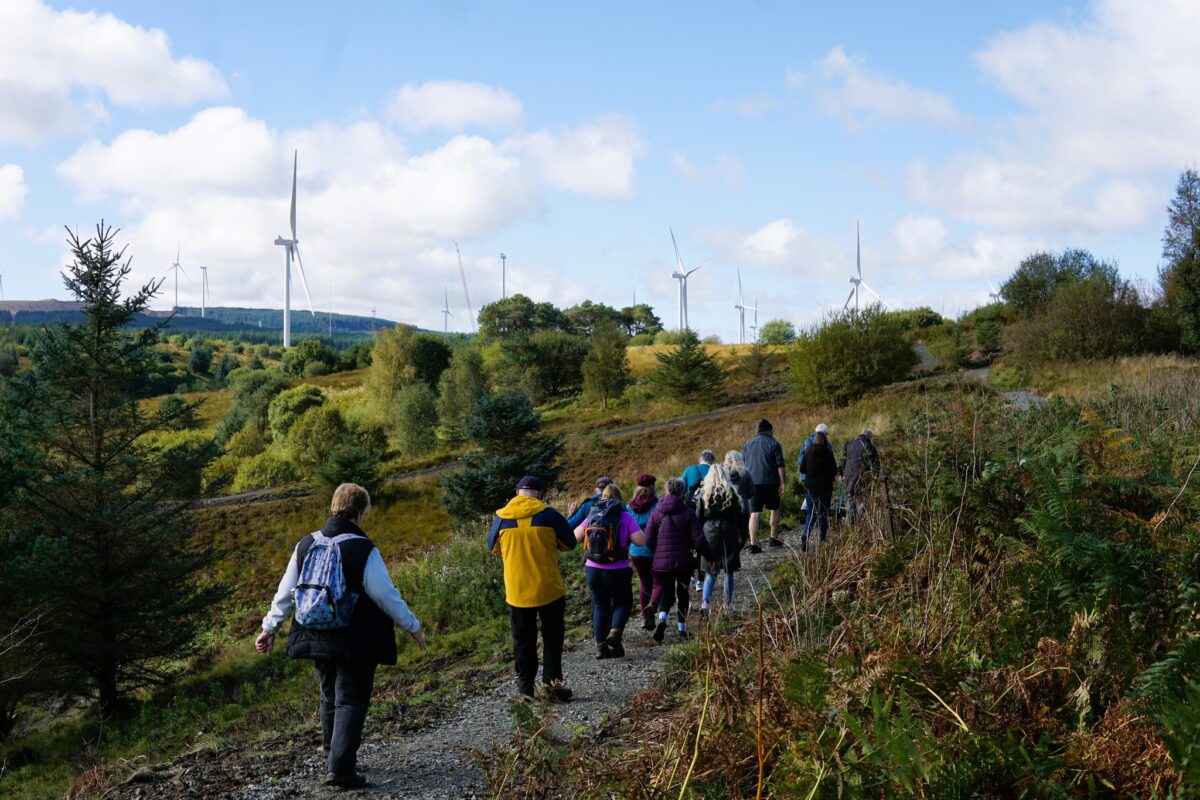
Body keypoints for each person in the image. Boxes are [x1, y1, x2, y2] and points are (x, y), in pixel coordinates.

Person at [256, 483, 426, 790]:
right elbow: (385, 594)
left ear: (334, 508)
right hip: (356, 638)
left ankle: (333, 758)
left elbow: (286, 592)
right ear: (360, 514)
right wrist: (412, 625)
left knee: (329, 696)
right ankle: (341, 769)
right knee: (351, 699)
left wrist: (270, 628)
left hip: (315, 632)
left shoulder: (306, 544)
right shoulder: (362, 548)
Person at [488, 475, 577, 702]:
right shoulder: (549, 515)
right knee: (552, 638)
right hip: (549, 590)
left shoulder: (501, 518)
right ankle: (552, 687)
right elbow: (570, 544)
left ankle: (526, 689)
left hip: (517, 592)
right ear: (539, 493)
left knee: (523, 641)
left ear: (517, 493)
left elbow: (493, 548)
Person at [573, 484, 647, 658]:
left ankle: (601, 647)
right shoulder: (624, 516)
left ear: (602, 497)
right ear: (619, 498)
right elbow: (641, 541)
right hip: (617, 569)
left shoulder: (592, 514)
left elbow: (575, 537)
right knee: (623, 602)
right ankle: (615, 633)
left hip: (592, 568)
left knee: (600, 605)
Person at [645, 477, 713, 642]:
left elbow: (648, 539)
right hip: (683, 561)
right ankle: (682, 630)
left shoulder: (656, 512)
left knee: (666, 592)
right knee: (683, 594)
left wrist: (658, 550)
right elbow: (698, 539)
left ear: (667, 491)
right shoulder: (687, 512)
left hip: (661, 562)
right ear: (682, 493)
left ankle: (662, 617)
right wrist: (710, 556)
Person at [696, 464, 747, 615]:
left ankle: (705, 604)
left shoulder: (705, 493)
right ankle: (728, 604)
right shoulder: (731, 492)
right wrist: (740, 535)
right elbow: (739, 516)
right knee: (729, 569)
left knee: (711, 570)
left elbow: (698, 516)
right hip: (728, 530)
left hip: (710, 532)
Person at [743, 419, 787, 552]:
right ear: (769, 430)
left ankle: (753, 544)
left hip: (752, 484)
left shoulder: (747, 444)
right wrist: (782, 482)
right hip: (770, 483)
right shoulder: (774, 443)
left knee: (755, 513)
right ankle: (773, 538)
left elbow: (742, 463)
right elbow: (780, 465)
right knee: (775, 509)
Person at [626, 473, 659, 630]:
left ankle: (644, 612)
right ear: (652, 488)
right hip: (653, 550)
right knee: (658, 582)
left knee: (645, 583)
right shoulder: (656, 505)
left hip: (635, 551)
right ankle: (653, 609)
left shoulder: (628, 507)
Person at [799, 429, 838, 550]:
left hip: (811, 487)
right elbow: (834, 470)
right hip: (825, 487)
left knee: (811, 513)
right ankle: (822, 540)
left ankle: (806, 533)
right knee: (823, 513)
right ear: (825, 440)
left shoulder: (808, 452)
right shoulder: (828, 452)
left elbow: (802, 469)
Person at [797, 423, 835, 528]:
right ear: (824, 434)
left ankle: (805, 512)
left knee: (811, 502)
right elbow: (831, 465)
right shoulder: (827, 445)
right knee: (822, 507)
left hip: (807, 477)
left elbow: (800, 461)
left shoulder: (807, 442)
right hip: (823, 481)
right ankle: (821, 529)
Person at [841, 429, 881, 525]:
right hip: (862, 474)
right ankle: (862, 523)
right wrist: (875, 478)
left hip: (848, 474)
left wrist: (841, 473)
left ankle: (851, 522)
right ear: (869, 437)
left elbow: (843, 459)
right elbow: (876, 465)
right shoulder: (870, 447)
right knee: (860, 497)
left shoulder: (849, 443)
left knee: (849, 495)